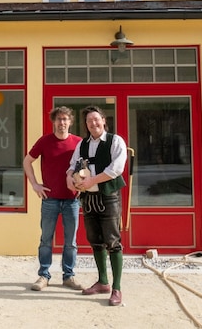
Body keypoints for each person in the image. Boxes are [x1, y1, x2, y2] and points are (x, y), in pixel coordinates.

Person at [66, 105, 128, 307]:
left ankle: (116, 287)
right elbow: (73, 164)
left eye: (96, 119)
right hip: (88, 198)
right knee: (95, 241)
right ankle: (103, 282)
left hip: (108, 196)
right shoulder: (82, 144)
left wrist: (94, 181)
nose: (93, 123)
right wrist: (69, 178)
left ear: (103, 120)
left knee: (113, 242)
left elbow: (116, 169)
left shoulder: (115, 141)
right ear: (86, 125)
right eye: (89, 121)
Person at [23, 106, 85, 292]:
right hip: (49, 199)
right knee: (46, 239)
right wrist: (35, 184)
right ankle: (44, 275)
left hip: (72, 200)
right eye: (58, 119)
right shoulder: (45, 141)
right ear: (53, 122)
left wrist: (84, 185)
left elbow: (86, 166)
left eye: (65, 119)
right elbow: (27, 161)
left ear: (70, 122)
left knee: (71, 242)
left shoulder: (78, 142)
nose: (62, 123)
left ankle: (69, 276)